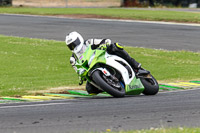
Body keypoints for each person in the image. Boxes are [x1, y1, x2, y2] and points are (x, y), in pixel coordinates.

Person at [65, 31, 145, 95]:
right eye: (71, 46)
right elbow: (77, 70)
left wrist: (104, 44)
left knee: (116, 47)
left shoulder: (89, 42)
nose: (74, 46)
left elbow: (105, 40)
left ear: (79, 38)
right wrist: (81, 76)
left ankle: (134, 64)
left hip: (104, 57)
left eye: (74, 43)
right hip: (91, 69)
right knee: (90, 90)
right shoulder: (73, 59)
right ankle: (109, 86)